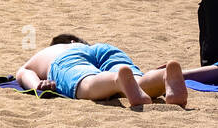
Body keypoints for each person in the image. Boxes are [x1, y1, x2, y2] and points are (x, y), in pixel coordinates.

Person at [16, 34, 188, 107]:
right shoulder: (89, 46)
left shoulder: (54, 51)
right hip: (105, 50)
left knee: (87, 81)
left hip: (68, 60)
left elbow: (23, 72)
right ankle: (163, 76)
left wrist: (37, 83)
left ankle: (117, 81)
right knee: (137, 80)